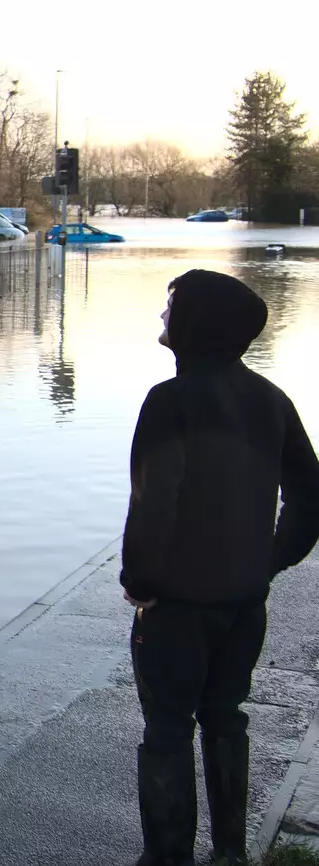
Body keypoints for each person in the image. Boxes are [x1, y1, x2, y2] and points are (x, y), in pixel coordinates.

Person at [122, 269, 319, 866]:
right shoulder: (271, 400)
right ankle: (231, 852)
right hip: (243, 599)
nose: (162, 318)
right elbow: (311, 496)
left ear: (198, 325)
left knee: (167, 729)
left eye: (172, 307)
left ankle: (168, 858)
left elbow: (155, 500)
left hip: (176, 603)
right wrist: (270, 558)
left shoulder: (169, 401)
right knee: (226, 718)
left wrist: (141, 584)